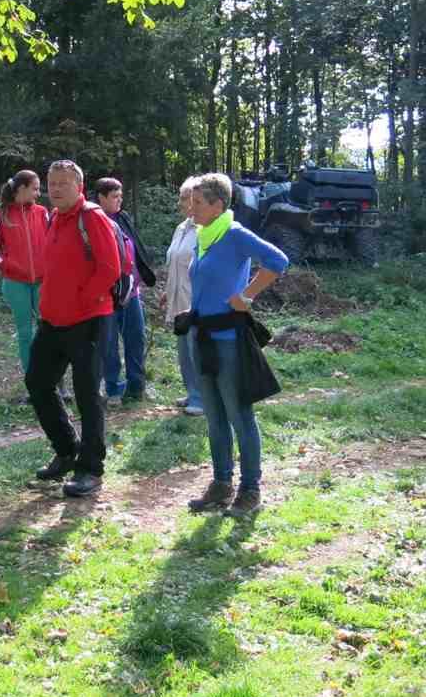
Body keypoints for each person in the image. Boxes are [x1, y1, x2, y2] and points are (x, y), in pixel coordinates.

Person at [182, 172, 289, 518]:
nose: (191, 208)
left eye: (198, 203)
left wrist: (247, 295)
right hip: (202, 337)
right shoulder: (204, 236)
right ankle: (221, 484)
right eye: (191, 202)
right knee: (214, 416)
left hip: (229, 340)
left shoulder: (234, 234)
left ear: (218, 205)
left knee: (239, 415)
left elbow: (278, 261)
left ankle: (250, 490)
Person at [25, 159, 122, 498]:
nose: (55, 189)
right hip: (53, 321)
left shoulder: (91, 217)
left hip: (88, 321)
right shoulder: (54, 217)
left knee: (87, 394)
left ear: (79, 187)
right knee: (38, 382)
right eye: (51, 183)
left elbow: (110, 268)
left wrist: (81, 300)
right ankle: (67, 450)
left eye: (63, 183)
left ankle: (90, 468)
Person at [96, 177, 158, 405]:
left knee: (136, 338)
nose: (119, 200)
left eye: (120, 196)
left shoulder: (123, 218)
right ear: (101, 198)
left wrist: (144, 275)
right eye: (115, 196)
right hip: (107, 294)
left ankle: (136, 386)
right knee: (109, 342)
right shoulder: (95, 221)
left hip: (131, 292)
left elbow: (135, 248)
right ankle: (112, 388)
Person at [0, 169, 50, 379]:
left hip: (42, 281)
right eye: (35, 189)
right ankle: (33, 379)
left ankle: (53, 378)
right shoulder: (0, 215)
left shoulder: (42, 212)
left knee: (48, 330)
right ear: (21, 188)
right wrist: (7, 265)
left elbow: (52, 241)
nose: (38, 193)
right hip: (15, 283)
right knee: (25, 332)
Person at [160, 177, 204, 416]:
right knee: (184, 352)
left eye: (185, 198)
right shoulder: (181, 228)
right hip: (177, 300)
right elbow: (175, 263)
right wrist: (167, 291)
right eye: (181, 197)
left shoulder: (205, 230)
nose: (180, 202)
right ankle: (191, 392)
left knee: (196, 349)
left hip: (194, 300)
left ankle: (202, 398)